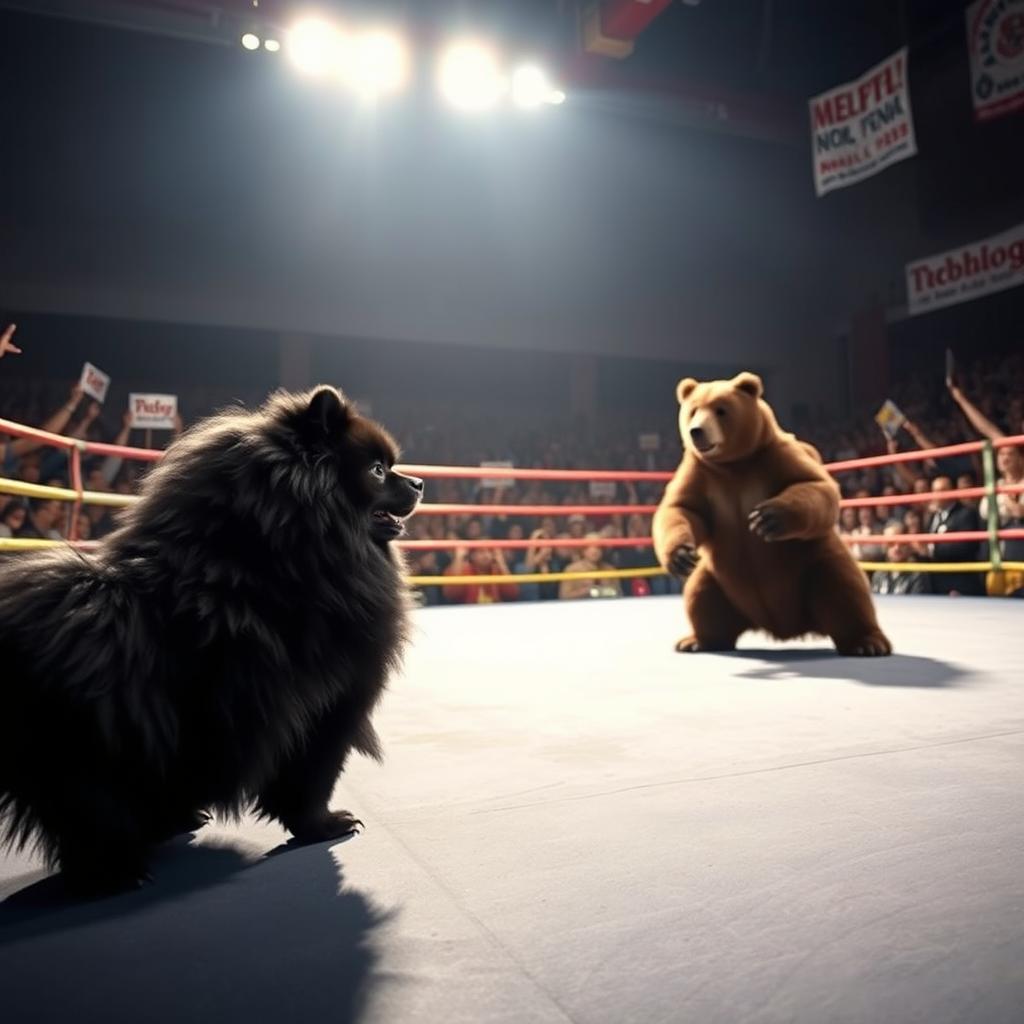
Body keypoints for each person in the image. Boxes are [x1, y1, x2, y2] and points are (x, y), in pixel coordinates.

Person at [928, 475, 984, 596]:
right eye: (934, 491)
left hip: (960, 582)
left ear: (952, 491)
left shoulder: (966, 513)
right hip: (937, 583)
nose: (937, 495)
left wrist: (931, 549)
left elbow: (966, 546)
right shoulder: (933, 516)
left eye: (942, 490)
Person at [981, 443, 1024, 597]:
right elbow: (985, 512)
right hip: (999, 553)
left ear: (1020, 458)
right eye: (1001, 454)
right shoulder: (995, 485)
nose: (1005, 458)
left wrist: (1004, 499)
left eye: (1010, 454)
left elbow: (1020, 512)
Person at [442, 546, 519, 604]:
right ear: (472, 556)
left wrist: (501, 563)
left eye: (489, 552)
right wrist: (459, 558)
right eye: (481, 552)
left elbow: (512, 594)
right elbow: (451, 594)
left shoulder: (497, 570)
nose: (486, 555)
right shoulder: (463, 569)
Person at [870, 523, 930, 596]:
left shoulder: (918, 575)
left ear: (908, 545)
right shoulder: (879, 574)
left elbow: (916, 605)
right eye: (891, 543)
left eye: (902, 543)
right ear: (885, 546)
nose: (897, 548)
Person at [559, 535, 622, 600]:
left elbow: (618, 593)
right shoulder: (571, 570)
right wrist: (586, 591)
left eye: (598, 547)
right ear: (583, 550)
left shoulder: (610, 569)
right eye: (589, 547)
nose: (594, 551)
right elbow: (564, 596)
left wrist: (598, 591)